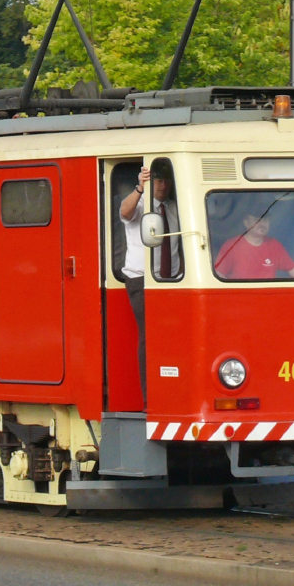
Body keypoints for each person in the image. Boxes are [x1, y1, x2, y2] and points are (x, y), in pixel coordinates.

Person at [118, 161, 181, 405]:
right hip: (142, 280)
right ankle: (150, 400)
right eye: (158, 181)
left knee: (174, 338)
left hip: (173, 281)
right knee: (150, 336)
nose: (163, 185)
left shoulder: (176, 208)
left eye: (166, 181)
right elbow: (124, 212)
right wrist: (140, 188)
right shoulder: (140, 203)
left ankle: (172, 394)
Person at [213, 212, 294, 281]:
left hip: (269, 303)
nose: (263, 224)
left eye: (266, 220)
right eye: (258, 220)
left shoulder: (274, 245)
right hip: (241, 305)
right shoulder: (232, 245)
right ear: (246, 223)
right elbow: (219, 275)